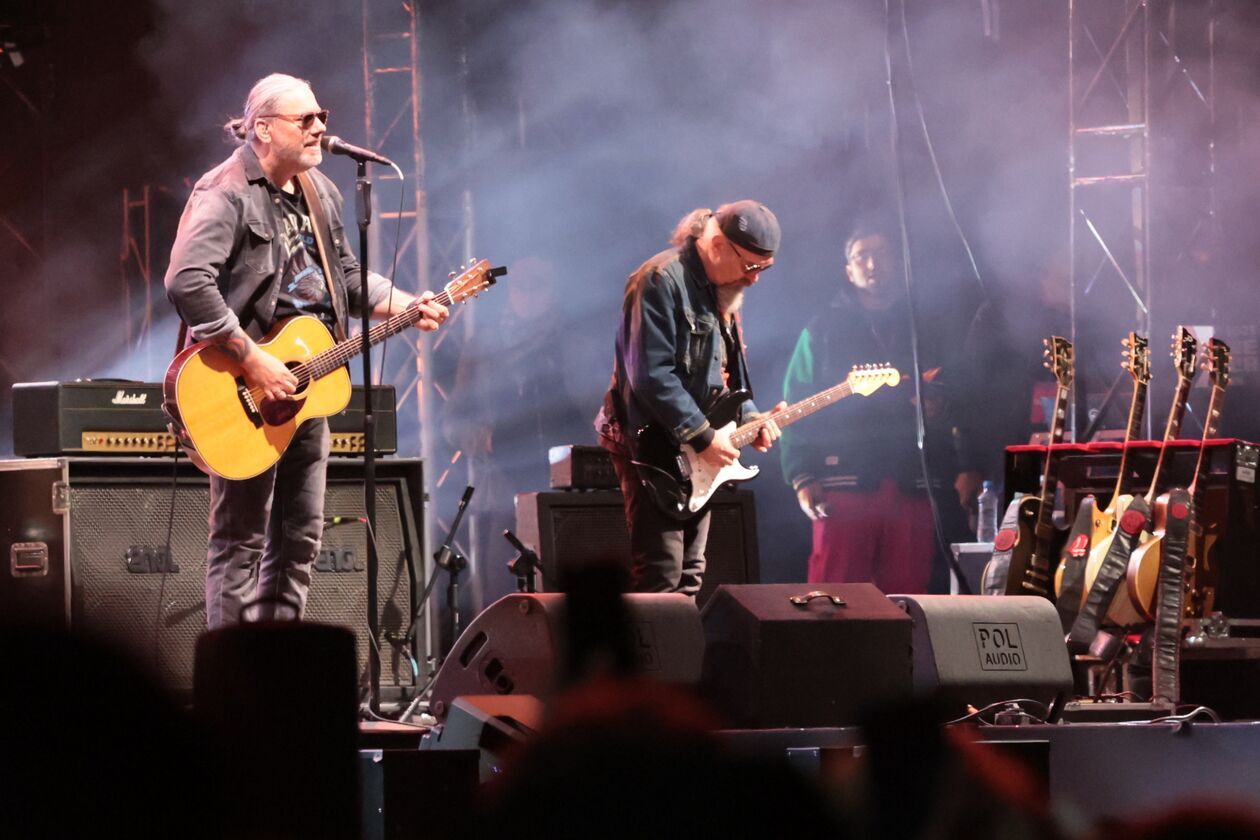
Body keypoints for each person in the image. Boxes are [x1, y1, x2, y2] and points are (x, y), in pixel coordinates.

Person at [165, 73, 447, 628]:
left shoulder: (321, 192)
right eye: (306, 119)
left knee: (300, 541)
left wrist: (407, 303)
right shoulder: (225, 191)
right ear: (263, 129)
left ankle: (281, 662)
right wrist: (252, 358)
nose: (320, 127)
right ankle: (234, 674)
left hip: (308, 385)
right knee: (241, 545)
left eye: (322, 117)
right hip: (244, 387)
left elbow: (347, 278)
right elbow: (186, 281)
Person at [596, 201, 786, 596]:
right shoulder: (659, 280)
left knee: (690, 576)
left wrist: (751, 417)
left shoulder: (725, 292)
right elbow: (650, 375)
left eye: (762, 269)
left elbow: (725, 379)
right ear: (717, 245)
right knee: (661, 575)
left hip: (694, 447)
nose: (754, 280)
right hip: (648, 441)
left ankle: (679, 640)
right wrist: (703, 436)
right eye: (750, 266)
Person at [779, 221, 979, 593]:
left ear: (899, 261)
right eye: (862, 256)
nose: (873, 264)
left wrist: (966, 462)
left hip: (914, 482)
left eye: (882, 254)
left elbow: (963, 396)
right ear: (848, 270)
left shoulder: (926, 327)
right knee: (834, 600)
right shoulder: (822, 330)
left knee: (907, 601)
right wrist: (801, 475)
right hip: (843, 484)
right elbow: (795, 406)